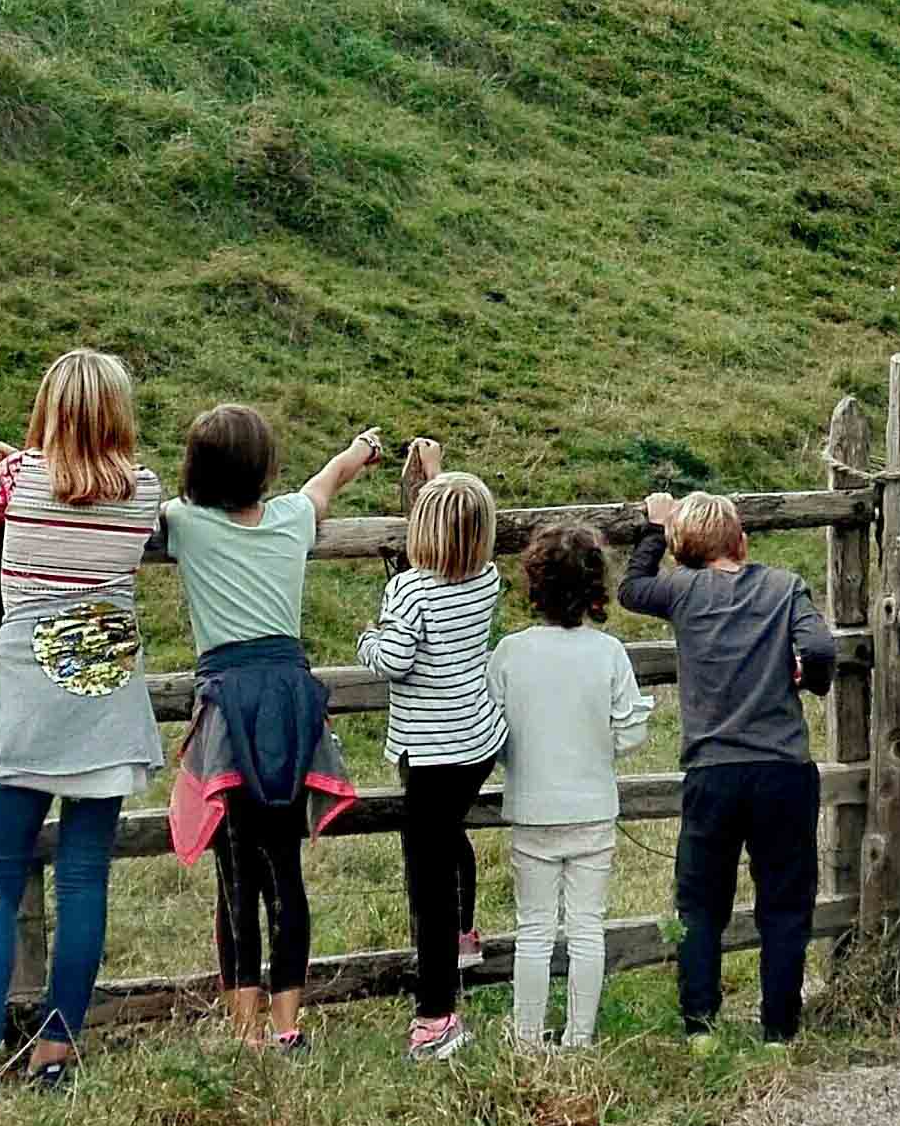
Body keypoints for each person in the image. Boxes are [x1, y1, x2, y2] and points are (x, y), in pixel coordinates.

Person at [0, 348, 164, 1115]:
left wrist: (13, 462)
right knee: (86, 876)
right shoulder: (147, 491)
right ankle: (58, 1048)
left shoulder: (17, 479)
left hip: (31, 698)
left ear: (48, 410)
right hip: (107, 693)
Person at [162, 405, 379, 1053]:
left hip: (230, 703)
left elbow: (123, 500)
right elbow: (325, 485)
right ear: (265, 467)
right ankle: (289, 1023)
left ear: (197, 468)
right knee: (284, 868)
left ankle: (246, 1027)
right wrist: (357, 452)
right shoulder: (289, 518)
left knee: (236, 870)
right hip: (289, 699)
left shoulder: (185, 525)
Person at [620, 490, 834, 1045]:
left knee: (700, 903)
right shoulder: (785, 587)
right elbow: (820, 650)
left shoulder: (682, 590)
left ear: (684, 549)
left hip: (713, 771)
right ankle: (779, 1031)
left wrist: (651, 527)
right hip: (783, 768)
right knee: (785, 905)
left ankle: (700, 1026)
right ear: (742, 541)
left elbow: (631, 587)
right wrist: (805, 677)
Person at [355, 463, 504, 1062]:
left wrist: (368, 638)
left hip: (431, 748)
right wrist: (441, 478)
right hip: (477, 739)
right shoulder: (487, 578)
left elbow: (393, 660)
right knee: (450, 838)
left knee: (427, 874)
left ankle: (436, 1012)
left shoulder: (410, 589)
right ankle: (466, 935)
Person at [487, 522, 652, 1049]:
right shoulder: (608, 653)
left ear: (534, 583)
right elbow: (632, 732)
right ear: (595, 587)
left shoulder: (510, 652)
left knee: (533, 928)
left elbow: (491, 730)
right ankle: (580, 1037)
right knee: (587, 927)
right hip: (592, 807)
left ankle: (528, 1036)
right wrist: (601, 744)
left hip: (532, 806)